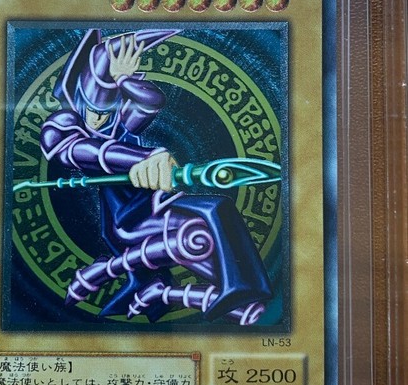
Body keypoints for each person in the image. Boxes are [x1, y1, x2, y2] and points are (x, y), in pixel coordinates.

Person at [40, 29, 272, 324]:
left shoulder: (118, 122)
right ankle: (129, 277)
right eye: (93, 110)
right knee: (197, 233)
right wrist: (142, 158)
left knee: (216, 209)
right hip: (126, 219)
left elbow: (152, 101)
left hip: (153, 204)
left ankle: (226, 289)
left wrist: (123, 79)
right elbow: (78, 151)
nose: (99, 119)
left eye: (106, 111)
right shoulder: (64, 124)